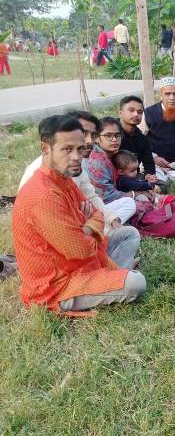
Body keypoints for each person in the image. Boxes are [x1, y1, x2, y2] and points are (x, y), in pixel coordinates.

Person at [12, 115, 146, 316]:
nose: (77, 156)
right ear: (45, 149)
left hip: (79, 263)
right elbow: (80, 250)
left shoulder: (63, 177)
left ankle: (114, 273)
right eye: (67, 149)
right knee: (137, 283)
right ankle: (117, 274)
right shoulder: (43, 194)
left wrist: (85, 226)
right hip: (58, 283)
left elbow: (96, 212)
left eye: (80, 149)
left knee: (129, 233)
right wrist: (88, 226)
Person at [19, 111, 138, 235]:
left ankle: (108, 231)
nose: (89, 141)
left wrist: (113, 220)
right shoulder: (50, 167)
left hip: (78, 218)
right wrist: (90, 222)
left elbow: (91, 197)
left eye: (93, 135)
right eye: (83, 133)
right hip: (57, 227)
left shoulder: (76, 163)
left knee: (128, 206)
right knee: (126, 234)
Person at [85, 117, 154, 208]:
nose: (114, 139)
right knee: (133, 204)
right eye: (108, 135)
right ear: (97, 138)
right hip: (102, 205)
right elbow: (107, 197)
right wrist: (135, 193)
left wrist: (143, 187)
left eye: (117, 135)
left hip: (120, 192)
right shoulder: (97, 162)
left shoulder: (112, 153)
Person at [143, 77, 175, 182]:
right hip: (154, 161)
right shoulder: (148, 113)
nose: (172, 97)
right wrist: (154, 157)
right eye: (167, 94)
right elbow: (139, 139)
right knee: (155, 177)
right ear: (161, 95)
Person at [118, 95, 156, 182]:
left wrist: (149, 176)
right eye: (131, 110)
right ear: (120, 113)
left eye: (139, 112)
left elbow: (149, 164)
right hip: (112, 178)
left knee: (162, 183)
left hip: (134, 177)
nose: (136, 114)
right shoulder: (111, 134)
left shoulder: (143, 139)